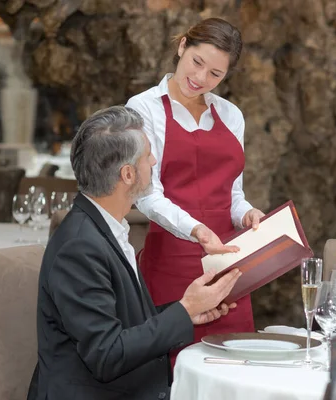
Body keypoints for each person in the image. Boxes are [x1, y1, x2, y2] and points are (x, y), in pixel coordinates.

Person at [27, 106, 241, 400]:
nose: (154, 161)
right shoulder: (79, 247)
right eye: (148, 155)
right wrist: (185, 309)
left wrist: (186, 313)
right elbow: (106, 355)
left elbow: (123, 323)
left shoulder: (105, 227)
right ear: (127, 174)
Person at [126, 17, 263, 361]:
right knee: (172, 374)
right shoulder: (143, 108)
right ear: (182, 46)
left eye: (215, 74)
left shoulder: (231, 115)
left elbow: (233, 193)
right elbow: (146, 195)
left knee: (232, 371)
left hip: (227, 270)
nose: (201, 78)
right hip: (172, 266)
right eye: (197, 62)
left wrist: (246, 213)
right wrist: (197, 229)